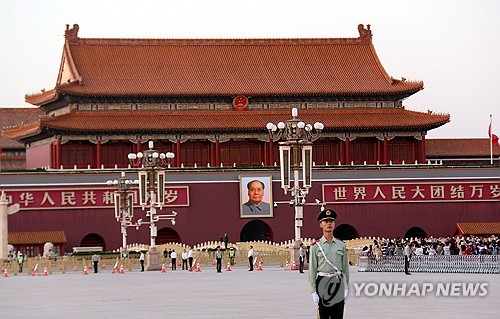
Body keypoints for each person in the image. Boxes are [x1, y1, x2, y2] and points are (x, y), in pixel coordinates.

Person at [309, 209, 349, 319]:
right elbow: (312, 271)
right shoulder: (315, 247)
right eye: (326, 221)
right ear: (320, 224)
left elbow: (345, 269)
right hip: (322, 282)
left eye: (331, 221)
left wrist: (346, 288)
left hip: (338, 282)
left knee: (338, 315)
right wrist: (313, 291)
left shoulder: (341, 245)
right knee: (324, 315)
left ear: (334, 224)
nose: (329, 224)